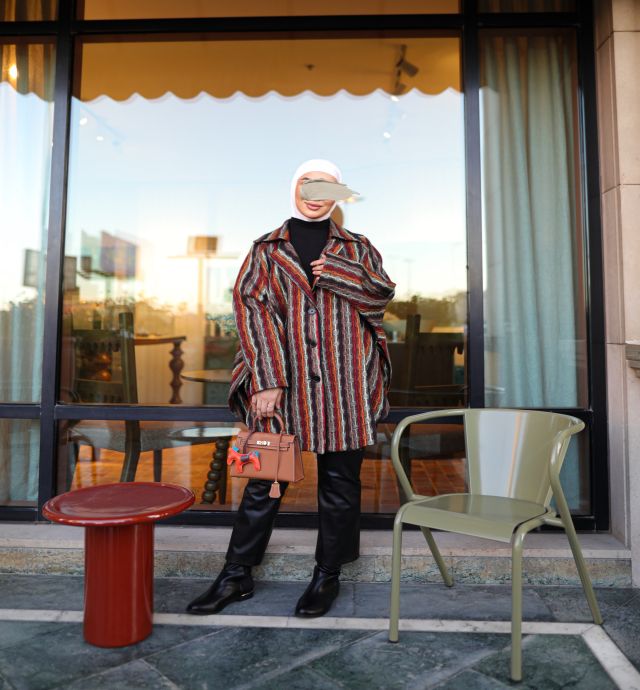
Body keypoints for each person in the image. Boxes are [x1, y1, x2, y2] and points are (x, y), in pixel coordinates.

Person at [187, 159, 395, 618]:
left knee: (340, 483)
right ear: (294, 187)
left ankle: (328, 575)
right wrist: (268, 379)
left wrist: (340, 272)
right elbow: (251, 310)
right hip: (283, 386)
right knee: (264, 479)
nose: (316, 193)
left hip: (344, 384)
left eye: (326, 185)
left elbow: (381, 296)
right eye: (308, 183)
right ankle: (236, 574)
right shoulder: (266, 248)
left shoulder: (358, 248)